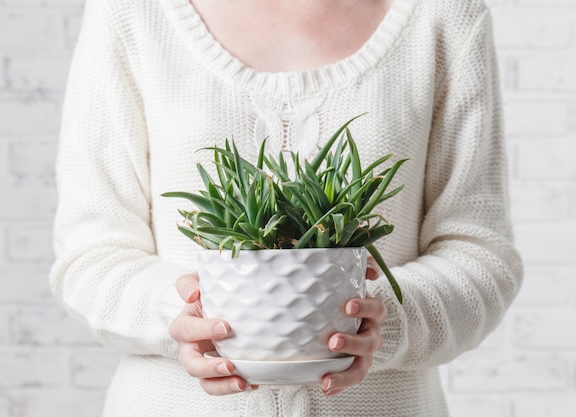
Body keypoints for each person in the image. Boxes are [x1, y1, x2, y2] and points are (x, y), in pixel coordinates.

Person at [50, 0, 523, 415]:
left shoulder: (443, 16)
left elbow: (480, 254)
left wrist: (381, 321)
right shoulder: (133, 13)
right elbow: (91, 255)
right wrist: (184, 316)